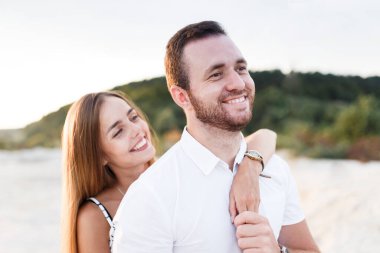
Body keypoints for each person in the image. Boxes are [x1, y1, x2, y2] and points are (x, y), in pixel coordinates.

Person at [112, 21, 320, 253]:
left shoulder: (275, 169)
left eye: (241, 68)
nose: (238, 83)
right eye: (216, 74)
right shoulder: (152, 195)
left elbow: (307, 249)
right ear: (182, 97)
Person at [60, 90, 277, 253]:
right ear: (99, 155)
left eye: (134, 117)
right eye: (118, 131)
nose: (136, 130)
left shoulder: (171, 175)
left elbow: (266, 136)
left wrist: (249, 167)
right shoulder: (94, 214)